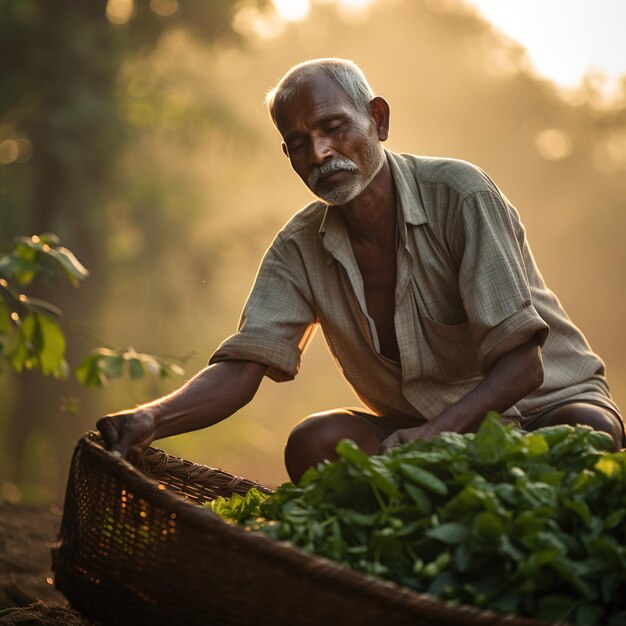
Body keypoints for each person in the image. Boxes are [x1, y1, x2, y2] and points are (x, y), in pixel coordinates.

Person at [97, 58, 623, 483]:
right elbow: (241, 368)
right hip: (418, 433)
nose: (320, 153)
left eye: (333, 127)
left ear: (379, 120)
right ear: (289, 155)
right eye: (299, 144)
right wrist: (149, 420)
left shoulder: (461, 195)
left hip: (542, 410)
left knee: (583, 439)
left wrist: (436, 435)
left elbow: (524, 367)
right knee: (314, 442)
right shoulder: (298, 247)